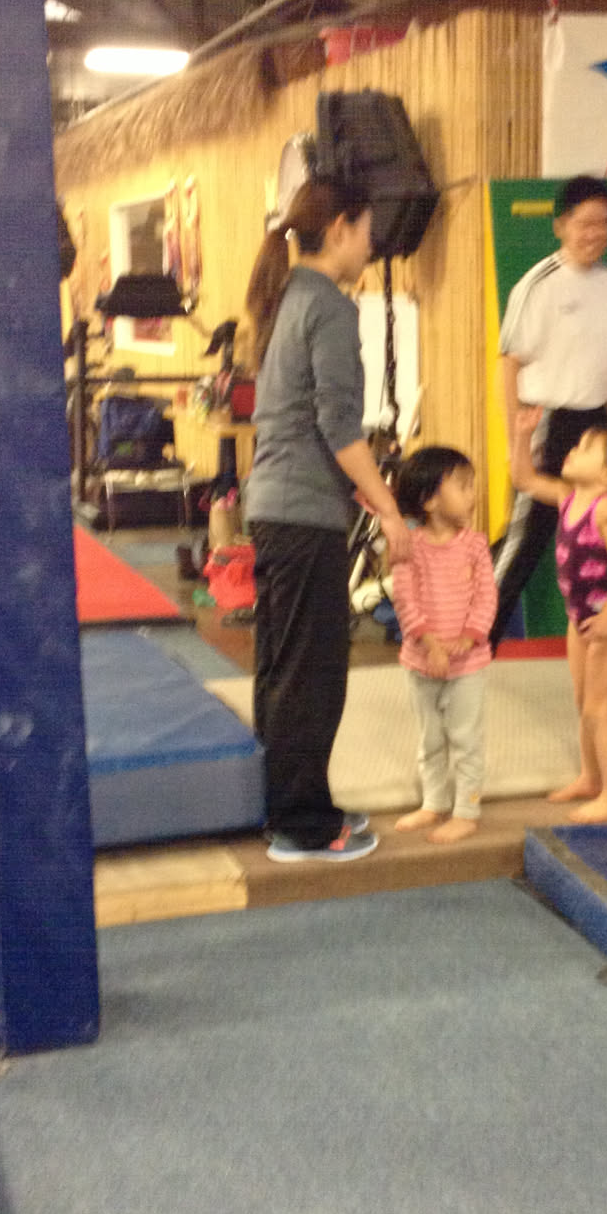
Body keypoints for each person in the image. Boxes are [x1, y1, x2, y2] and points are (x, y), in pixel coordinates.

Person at [243, 176, 411, 864]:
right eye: (367, 231)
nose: (371, 246)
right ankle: (303, 826)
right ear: (340, 229)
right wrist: (391, 511)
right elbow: (340, 429)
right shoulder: (329, 308)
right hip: (301, 512)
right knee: (310, 675)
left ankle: (286, 805)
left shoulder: (290, 296)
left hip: (277, 508)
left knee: (282, 668)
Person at [491, 174, 607, 648]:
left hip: (596, 426)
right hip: (547, 421)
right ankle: (477, 640)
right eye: (585, 223)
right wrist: (516, 436)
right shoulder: (539, 285)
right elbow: (508, 364)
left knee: (605, 529)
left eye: (605, 223)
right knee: (527, 539)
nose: (596, 233)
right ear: (561, 226)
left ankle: (601, 634)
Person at [512, 407, 607, 823]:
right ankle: (590, 777)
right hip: (578, 618)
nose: (573, 449)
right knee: (582, 702)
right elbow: (524, 479)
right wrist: (522, 436)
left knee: (596, 709)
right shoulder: (568, 497)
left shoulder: (605, 510)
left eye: (586, 448)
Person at [390, 446, 498, 846]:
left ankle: (466, 811)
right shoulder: (410, 546)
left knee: (466, 738)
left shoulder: (475, 545)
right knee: (431, 738)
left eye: (472, 486)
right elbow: (405, 599)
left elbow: (487, 595)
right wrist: (430, 644)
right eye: (463, 487)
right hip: (422, 661)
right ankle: (434, 802)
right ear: (430, 500)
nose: (473, 494)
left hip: (468, 662)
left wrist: (470, 635)